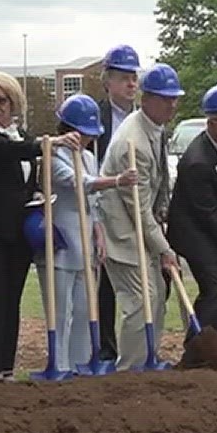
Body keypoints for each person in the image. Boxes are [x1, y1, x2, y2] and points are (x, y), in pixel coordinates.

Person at [0, 71, 67, 381]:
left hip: (18, 232)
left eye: (0, 101)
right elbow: (3, 151)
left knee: (13, 298)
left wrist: (36, 193)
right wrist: (48, 143)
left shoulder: (20, 135)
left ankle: (7, 368)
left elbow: (23, 175)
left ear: (13, 102)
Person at [96, 64, 179, 370]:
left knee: (156, 295)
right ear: (146, 98)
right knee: (139, 300)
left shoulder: (155, 128)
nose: (171, 104)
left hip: (140, 224)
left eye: (174, 98)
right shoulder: (135, 143)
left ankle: (149, 359)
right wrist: (165, 249)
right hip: (121, 230)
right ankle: (130, 369)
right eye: (164, 98)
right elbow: (138, 209)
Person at [48, 94, 138, 367]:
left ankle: (81, 362)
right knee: (61, 311)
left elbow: (93, 202)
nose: (87, 139)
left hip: (86, 241)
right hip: (62, 243)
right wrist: (117, 180)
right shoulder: (52, 156)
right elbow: (79, 183)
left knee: (87, 307)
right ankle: (60, 364)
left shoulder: (88, 156)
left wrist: (99, 229)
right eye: (83, 133)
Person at [169, 85, 217, 347]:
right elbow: (208, 216)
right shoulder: (198, 162)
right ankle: (196, 347)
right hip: (192, 233)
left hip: (210, 228)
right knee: (216, 287)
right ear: (211, 122)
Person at [92, 44, 143, 363]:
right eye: (124, 78)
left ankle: (133, 344)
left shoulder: (143, 119)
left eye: (134, 78)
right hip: (99, 207)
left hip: (133, 208)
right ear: (107, 81)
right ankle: (105, 349)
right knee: (104, 286)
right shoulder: (94, 116)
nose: (131, 85)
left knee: (139, 283)